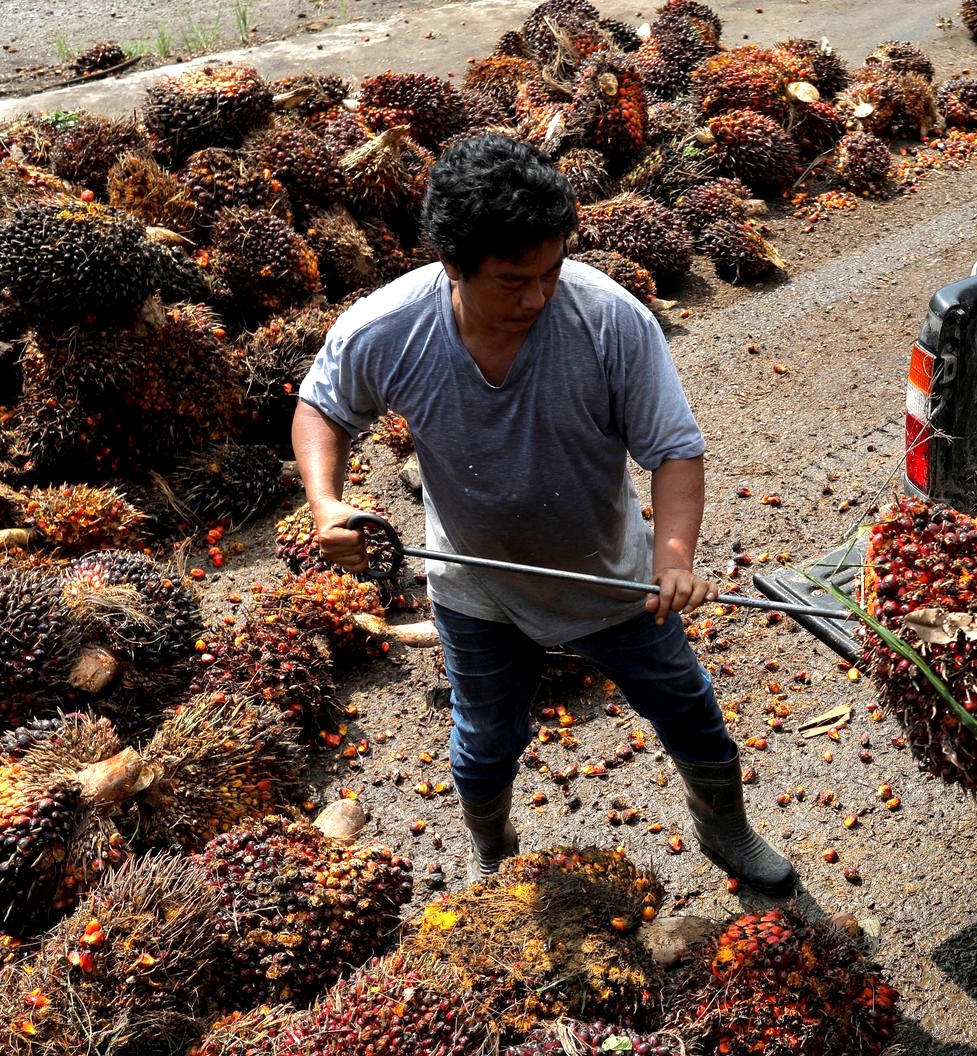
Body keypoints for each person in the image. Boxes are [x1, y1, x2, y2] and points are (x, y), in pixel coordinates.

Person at [292, 134, 798, 895]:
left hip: (614, 578)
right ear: (452, 265)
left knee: (689, 709)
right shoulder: (387, 329)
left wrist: (674, 556)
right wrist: (326, 504)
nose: (537, 297)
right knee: (486, 740)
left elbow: (673, 450)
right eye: (513, 280)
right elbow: (321, 408)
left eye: (551, 272)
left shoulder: (608, 319)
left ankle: (725, 827)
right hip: (478, 585)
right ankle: (491, 847)